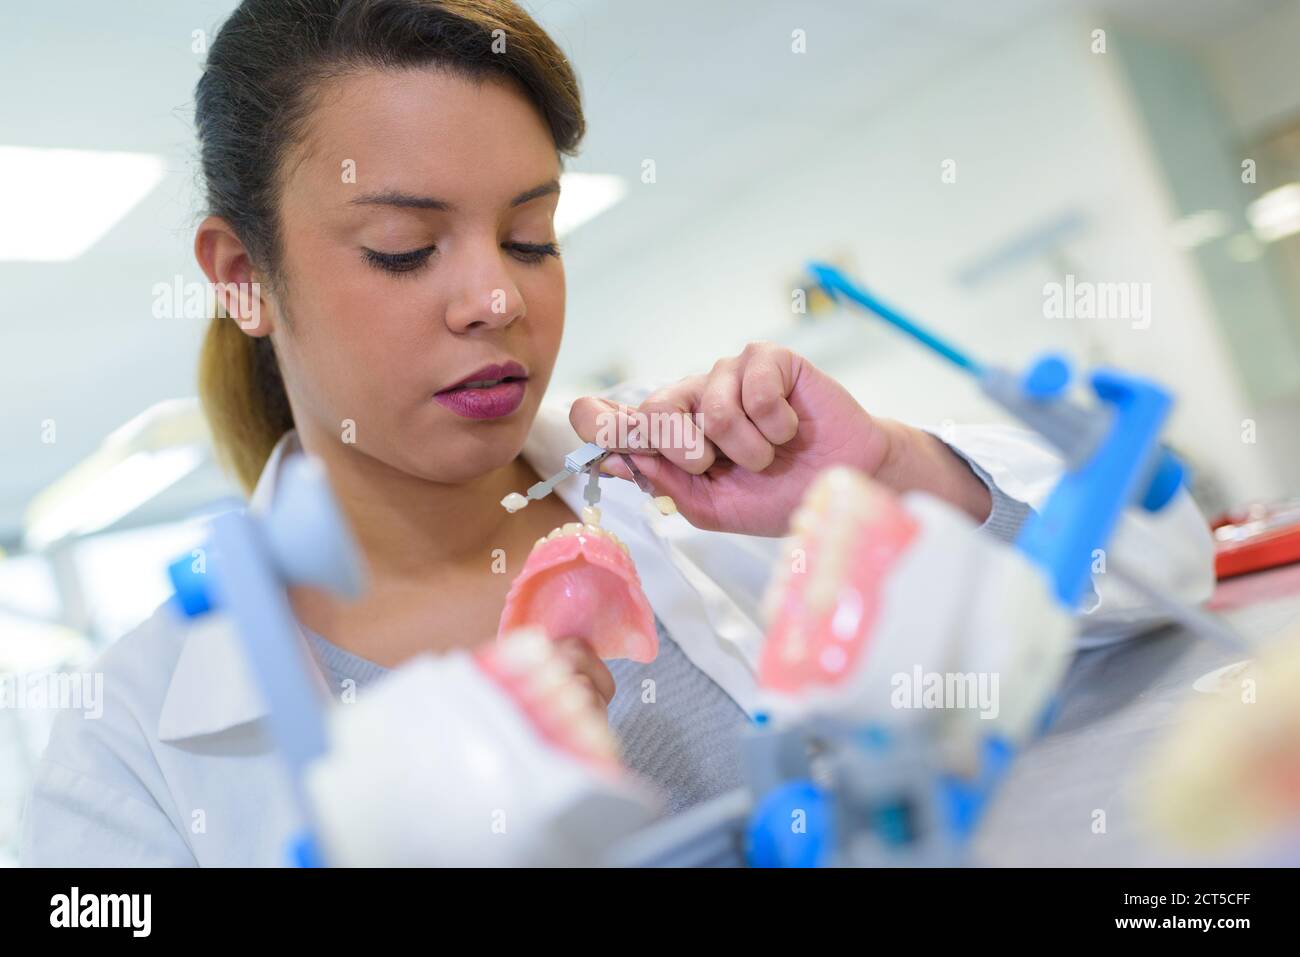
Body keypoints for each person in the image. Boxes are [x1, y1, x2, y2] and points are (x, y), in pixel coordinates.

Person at [20, 0, 1212, 866]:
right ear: (241, 275)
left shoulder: (693, 510)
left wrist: (895, 475)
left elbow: (1167, 570)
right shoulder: (129, 745)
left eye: (532, 235)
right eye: (403, 248)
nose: (498, 299)